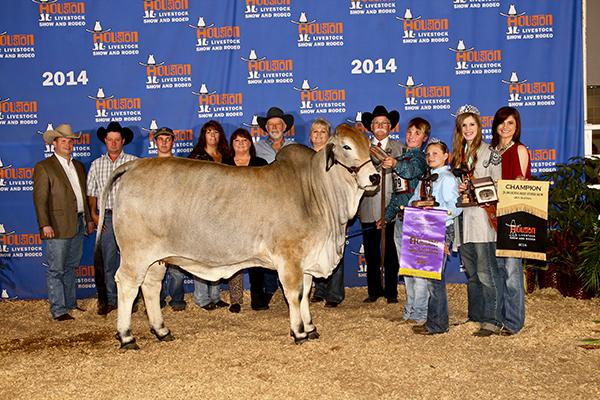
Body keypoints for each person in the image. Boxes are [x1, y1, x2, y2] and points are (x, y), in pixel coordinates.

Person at [450, 104, 503, 337]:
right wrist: (461, 188)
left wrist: (476, 186)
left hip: (482, 219)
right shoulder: (458, 156)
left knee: (486, 273)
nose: (468, 128)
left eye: (472, 124)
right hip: (463, 219)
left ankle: (492, 320)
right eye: (464, 125)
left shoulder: (491, 153)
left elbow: (498, 186)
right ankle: (476, 315)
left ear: (479, 127)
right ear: (459, 129)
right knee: (471, 272)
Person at [33, 124, 95, 321]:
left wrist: (87, 220)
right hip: (56, 225)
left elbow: (83, 196)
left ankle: (70, 303)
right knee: (57, 269)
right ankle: (58, 309)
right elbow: (40, 199)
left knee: (70, 266)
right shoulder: (44, 167)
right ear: (54, 144)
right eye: (63, 141)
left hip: (77, 221)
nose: (68, 144)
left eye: (70, 141)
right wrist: (45, 224)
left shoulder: (77, 166)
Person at [408, 140, 462, 335]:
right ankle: (434, 321)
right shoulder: (427, 178)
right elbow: (413, 199)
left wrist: (433, 210)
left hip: (440, 229)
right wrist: (416, 205)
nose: (431, 157)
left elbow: (455, 208)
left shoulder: (447, 178)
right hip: (426, 229)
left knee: (435, 280)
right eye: (428, 154)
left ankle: (438, 324)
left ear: (446, 156)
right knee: (431, 278)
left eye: (435, 153)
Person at [379, 117, 429, 322]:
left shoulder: (418, 158)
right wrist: (386, 216)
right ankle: (410, 310)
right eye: (409, 132)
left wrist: (395, 163)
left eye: (417, 133)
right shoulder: (404, 158)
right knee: (408, 270)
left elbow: (413, 171)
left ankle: (421, 313)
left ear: (424, 138)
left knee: (418, 270)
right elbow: (398, 195)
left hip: (417, 220)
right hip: (401, 218)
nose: (411, 136)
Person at [359, 105, 408, 304]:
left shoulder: (400, 148)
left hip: (392, 205)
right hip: (368, 204)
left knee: (390, 252)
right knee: (370, 251)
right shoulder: (362, 148)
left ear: (390, 127)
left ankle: (391, 292)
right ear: (371, 127)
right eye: (376, 123)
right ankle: (373, 290)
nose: (380, 126)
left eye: (384, 123)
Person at [87, 121, 138, 315]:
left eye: (117, 140)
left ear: (123, 141)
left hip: (129, 217)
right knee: (107, 262)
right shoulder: (96, 164)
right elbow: (92, 192)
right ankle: (109, 300)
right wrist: (93, 213)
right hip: (106, 216)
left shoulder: (133, 162)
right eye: (110, 139)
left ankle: (130, 299)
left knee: (130, 261)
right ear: (105, 141)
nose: (114, 143)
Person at [491, 106, 531, 336]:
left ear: (516, 128)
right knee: (497, 271)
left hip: (512, 216)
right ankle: (500, 317)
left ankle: (514, 322)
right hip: (491, 216)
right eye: (502, 122)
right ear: (495, 124)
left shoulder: (520, 150)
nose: (505, 127)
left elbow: (524, 183)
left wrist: (518, 182)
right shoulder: (491, 151)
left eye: (510, 124)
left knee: (512, 272)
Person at [253, 106, 295, 307]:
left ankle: (291, 290)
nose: (275, 127)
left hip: (290, 204)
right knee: (268, 246)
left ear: (285, 127)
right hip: (266, 205)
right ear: (265, 128)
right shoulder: (258, 148)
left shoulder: (295, 149)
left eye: (278, 124)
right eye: (271, 125)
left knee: (288, 247)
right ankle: (269, 289)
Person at [223, 128, 268, 312]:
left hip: (256, 216)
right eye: (237, 141)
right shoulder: (225, 164)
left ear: (250, 143)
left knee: (257, 258)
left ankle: (258, 299)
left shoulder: (260, 163)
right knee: (235, 259)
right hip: (231, 217)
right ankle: (236, 300)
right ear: (232, 144)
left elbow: (267, 190)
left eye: (244, 140)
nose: (241, 144)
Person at [188, 120, 230, 311]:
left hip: (224, 211)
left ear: (220, 136)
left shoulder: (226, 156)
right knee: (202, 254)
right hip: (202, 210)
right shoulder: (196, 156)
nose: (212, 136)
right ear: (203, 135)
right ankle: (202, 297)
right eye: (209, 132)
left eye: (216, 132)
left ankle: (215, 295)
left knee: (218, 254)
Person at [307, 118, 345, 307]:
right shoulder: (305, 157)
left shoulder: (336, 157)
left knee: (333, 249)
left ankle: (335, 294)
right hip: (310, 211)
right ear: (310, 136)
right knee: (315, 250)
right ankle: (319, 290)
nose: (319, 135)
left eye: (323, 132)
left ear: (329, 136)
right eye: (316, 132)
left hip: (332, 209)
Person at [154, 127, 188, 312]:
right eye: (161, 139)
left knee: (176, 264)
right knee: (154, 262)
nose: (164, 142)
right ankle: (156, 300)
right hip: (156, 219)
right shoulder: (148, 167)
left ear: (173, 141)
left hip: (177, 219)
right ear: (156, 142)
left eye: (168, 139)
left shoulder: (181, 166)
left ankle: (177, 299)